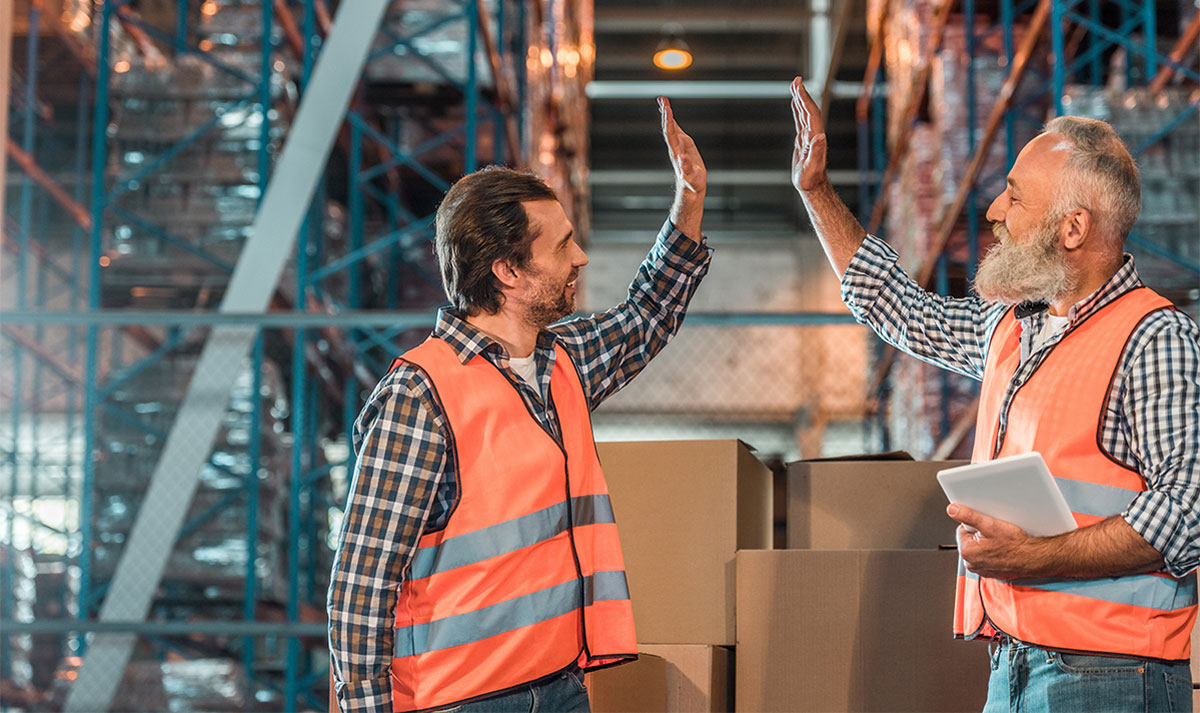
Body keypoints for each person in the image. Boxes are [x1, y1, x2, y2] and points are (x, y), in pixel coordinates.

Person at [789, 76, 1200, 711]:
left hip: (1113, 677)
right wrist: (816, 194)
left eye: (1014, 197)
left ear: (1072, 229)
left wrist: (1039, 557)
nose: (993, 213)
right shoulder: (1015, 327)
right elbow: (899, 309)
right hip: (1013, 665)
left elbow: (1188, 512)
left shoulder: (1153, 337)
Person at [327, 97, 710, 713]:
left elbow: (648, 315)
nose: (580, 258)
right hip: (461, 701)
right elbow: (360, 589)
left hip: (559, 684)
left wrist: (688, 201)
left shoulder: (562, 363)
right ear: (508, 269)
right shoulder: (420, 393)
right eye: (562, 247)